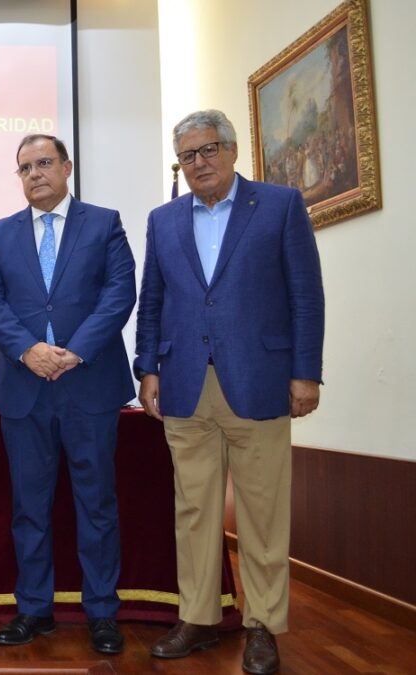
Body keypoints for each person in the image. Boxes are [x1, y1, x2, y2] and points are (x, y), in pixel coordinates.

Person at [135, 109, 324, 675]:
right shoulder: (163, 219)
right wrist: (148, 368)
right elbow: (154, 302)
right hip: (185, 383)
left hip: (261, 380)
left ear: (233, 149)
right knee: (193, 509)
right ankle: (197, 618)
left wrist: (305, 372)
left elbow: (305, 296)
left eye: (209, 149)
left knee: (263, 511)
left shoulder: (280, 204)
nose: (200, 163)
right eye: (188, 156)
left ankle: (263, 624)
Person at [0, 134, 136, 654]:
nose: (35, 173)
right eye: (25, 167)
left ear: (67, 167)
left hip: (88, 384)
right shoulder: (2, 234)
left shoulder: (104, 223)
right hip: (26, 388)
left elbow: (119, 292)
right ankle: (34, 610)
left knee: (96, 504)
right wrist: (27, 350)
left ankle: (103, 613)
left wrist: (73, 351)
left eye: (44, 163)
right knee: (30, 506)